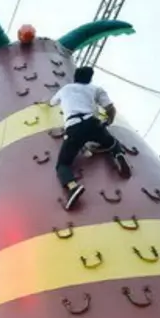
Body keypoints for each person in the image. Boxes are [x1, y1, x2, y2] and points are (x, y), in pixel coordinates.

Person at [49, 66, 131, 210]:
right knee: (112, 142)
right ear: (89, 79)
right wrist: (108, 121)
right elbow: (110, 109)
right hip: (92, 122)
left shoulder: (66, 89)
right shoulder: (95, 89)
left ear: (75, 77)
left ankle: (73, 187)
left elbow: (52, 102)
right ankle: (118, 155)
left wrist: (46, 103)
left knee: (63, 164)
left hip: (73, 127)